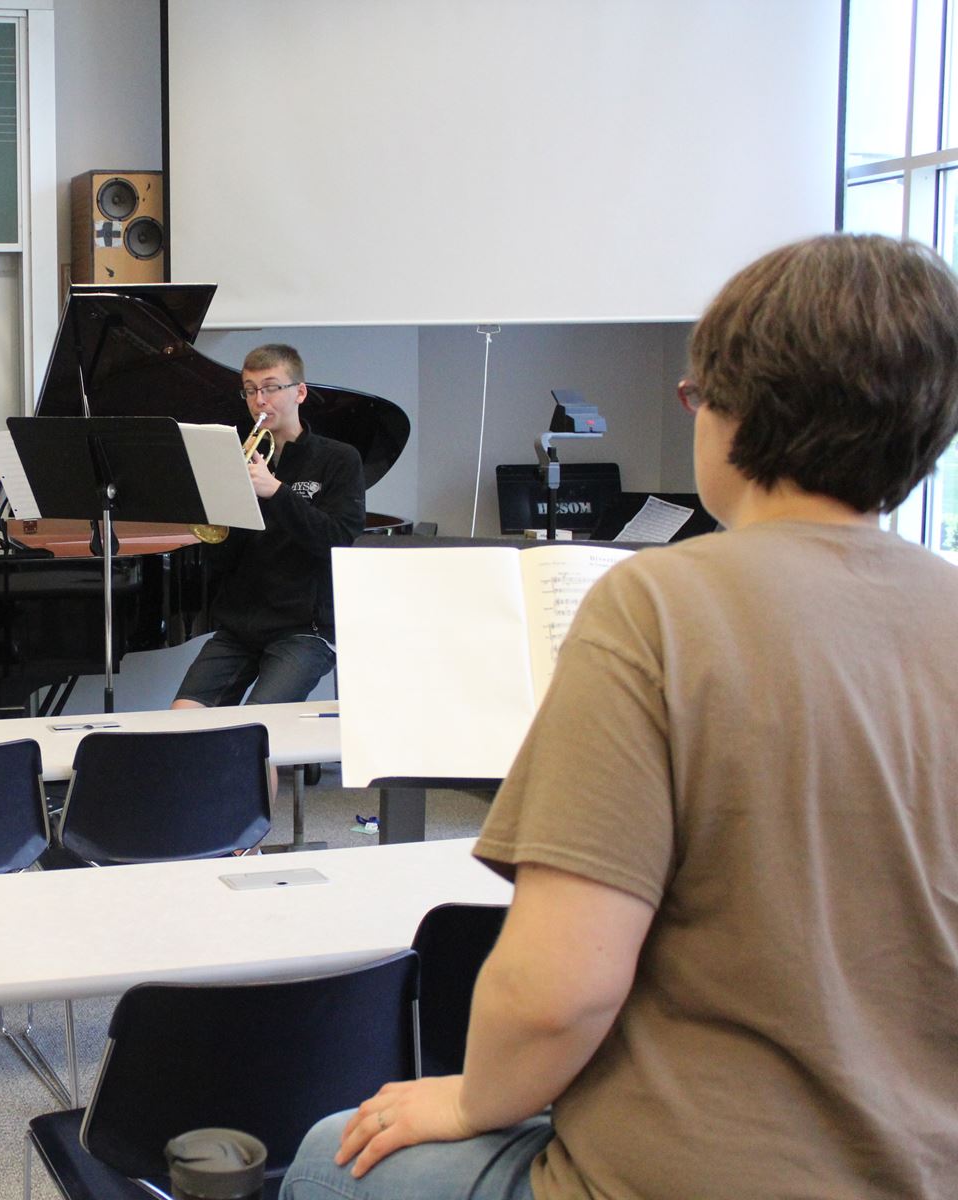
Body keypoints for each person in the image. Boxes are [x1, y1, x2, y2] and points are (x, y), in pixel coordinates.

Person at [282, 233, 958, 1200]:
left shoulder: (659, 606)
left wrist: (470, 1101)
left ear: (733, 409)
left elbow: (559, 991)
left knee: (329, 1154)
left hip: (686, 1173)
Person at [172, 344, 367, 710]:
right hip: (240, 628)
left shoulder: (339, 459)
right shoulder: (235, 461)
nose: (259, 400)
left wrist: (276, 492)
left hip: (304, 630)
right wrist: (216, 508)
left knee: (261, 723)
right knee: (182, 716)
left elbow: (339, 540)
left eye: (271, 388)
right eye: (250, 390)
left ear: (300, 392)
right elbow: (224, 559)